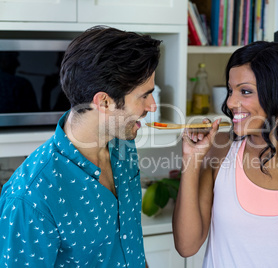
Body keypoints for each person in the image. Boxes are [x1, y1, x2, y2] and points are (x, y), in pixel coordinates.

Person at [0, 25, 161, 267]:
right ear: (104, 102)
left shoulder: (122, 145)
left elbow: (129, 241)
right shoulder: (30, 198)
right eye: (144, 95)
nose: (153, 106)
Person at [173, 41, 278, 267]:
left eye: (245, 91)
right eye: (231, 91)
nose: (231, 102)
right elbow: (187, 245)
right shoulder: (220, 150)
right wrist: (191, 160)